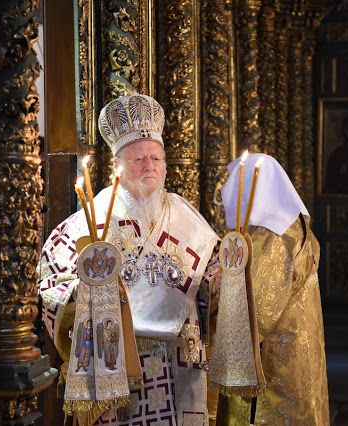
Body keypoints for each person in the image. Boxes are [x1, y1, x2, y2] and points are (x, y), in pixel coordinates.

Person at [39, 93, 220, 426]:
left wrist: (220, 283)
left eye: (156, 158)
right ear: (116, 166)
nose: (149, 166)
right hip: (119, 362)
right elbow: (52, 285)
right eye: (138, 159)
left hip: (180, 364)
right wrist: (84, 293)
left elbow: (211, 273)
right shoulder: (91, 220)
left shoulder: (185, 216)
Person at [217, 153, 330, 425]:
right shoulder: (291, 224)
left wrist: (213, 292)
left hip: (274, 362)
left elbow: (257, 310)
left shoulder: (273, 236)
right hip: (298, 348)